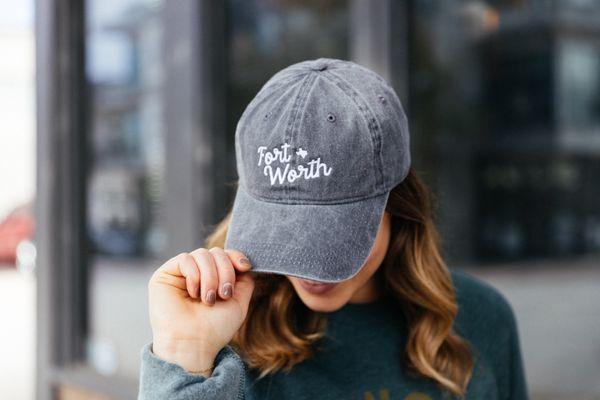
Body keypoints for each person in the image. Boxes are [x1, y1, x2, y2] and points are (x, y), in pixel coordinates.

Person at [137, 58, 528, 400]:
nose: (307, 267)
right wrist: (185, 357)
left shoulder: (481, 319)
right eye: (283, 230)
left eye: (330, 231)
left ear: (398, 206)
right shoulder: (224, 335)